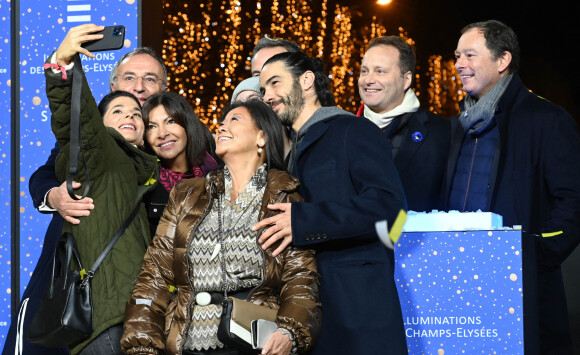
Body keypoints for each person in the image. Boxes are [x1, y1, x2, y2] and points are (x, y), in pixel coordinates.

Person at [2, 37, 170, 355]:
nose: (140, 85)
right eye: (130, 77)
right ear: (112, 84)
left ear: (163, 88)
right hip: (81, 286)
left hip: (145, 304)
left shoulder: (173, 138)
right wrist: (54, 196)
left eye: (151, 79)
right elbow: (45, 172)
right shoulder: (95, 141)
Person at [121, 99, 321, 355]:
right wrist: (141, 344)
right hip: (189, 343)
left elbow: (300, 279)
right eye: (222, 122)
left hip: (255, 343)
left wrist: (290, 332)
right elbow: (155, 275)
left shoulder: (285, 196)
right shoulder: (186, 194)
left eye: (234, 120)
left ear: (262, 137)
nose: (221, 127)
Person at [255, 52, 408, 354]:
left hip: (356, 312)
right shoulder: (286, 152)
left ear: (307, 80)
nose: (267, 96)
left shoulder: (353, 130)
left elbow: (392, 211)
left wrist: (303, 221)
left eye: (274, 83)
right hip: (306, 315)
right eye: (262, 90)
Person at [444, 20, 580, 354]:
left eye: (470, 55)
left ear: (502, 60)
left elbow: (573, 201)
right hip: (455, 281)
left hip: (519, 289)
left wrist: (533, 255)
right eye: (457, 55)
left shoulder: (547, 120)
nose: (459, 63)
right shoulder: (455, 127)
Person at [42, 24, 159, 354]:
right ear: (98, 122)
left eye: (137, 114)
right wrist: (63, 62)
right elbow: (73, 115)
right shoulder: (101, 152)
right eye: (118, 110)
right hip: (107, 323)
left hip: (135, 320)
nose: (130, 115)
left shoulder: (138, 166)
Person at [357, 36, 450, 212]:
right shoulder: (345, 129)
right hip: (357, 238)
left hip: (415, 237)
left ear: (406, 80)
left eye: (380, 71)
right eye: (364, 71)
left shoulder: (441, 132)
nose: (368, 79)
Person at [142, 92, 220, 236]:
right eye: (151, 127)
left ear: (187, 124)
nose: (162, 133)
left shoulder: (219, 172)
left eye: (171, 121)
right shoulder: (145, 185)